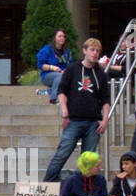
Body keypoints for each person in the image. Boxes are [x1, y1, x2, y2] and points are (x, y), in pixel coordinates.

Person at [43, 37, 110, 182]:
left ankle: (80, 186)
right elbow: (62, 91)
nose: (95, 53)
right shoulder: (73, 69)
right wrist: (64, 112)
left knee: (88, 160)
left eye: (98, 51)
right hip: (73, 120)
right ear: (85, 50)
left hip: (93, 123)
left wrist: (105, 119)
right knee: (62, 153)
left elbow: (106, 99)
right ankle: (47, 185)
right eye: (92, 50)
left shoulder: (100, 74)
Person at [36, 28, 73, 102]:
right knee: (59, 76)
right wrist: (52, 67)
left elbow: (70, 65)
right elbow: (40, 65)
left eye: (63, 36)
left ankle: (49, 91)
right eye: (59, 36)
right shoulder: (47, 49)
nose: (62, 38)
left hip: (63, 75)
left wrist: (66, 70)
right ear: (54, 38)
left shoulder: (67, 51)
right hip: (47, 75)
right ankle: (54, 98)